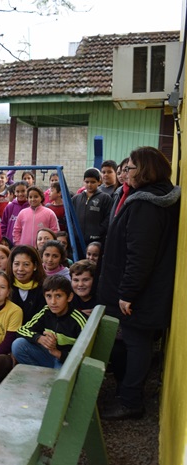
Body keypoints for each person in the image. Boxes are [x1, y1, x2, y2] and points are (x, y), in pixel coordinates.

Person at [99, 146, 181, 420]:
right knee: (135, 343)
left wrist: (127, 292)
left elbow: (140, 255)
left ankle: (131, 400)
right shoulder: (157, 197)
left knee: (135, 343)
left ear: (145, 170)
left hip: (139, 294)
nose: (126, 173)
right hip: (147, 291)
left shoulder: (146, 205)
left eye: (130, 168)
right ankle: (127, 392)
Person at [12, 275, 86, 369]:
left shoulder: (78, 320)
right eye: (49, 296)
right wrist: (39, 338)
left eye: (58, 296)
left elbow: (84, 354)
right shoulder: (46, 311)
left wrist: (59, 354)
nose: (53, 302)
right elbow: (22, 330)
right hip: (49, 355)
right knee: (18, 345)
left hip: (67, 361)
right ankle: (40, 375)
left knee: (62, 374)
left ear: (69, 297)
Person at [72, 168, 112, 246]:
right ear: (83, 181)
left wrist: (99, 231)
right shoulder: (76, 198)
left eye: (93, 182)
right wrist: (74, 230)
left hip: (96, 240)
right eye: (87, 182)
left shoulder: (105, 198)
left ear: (99, 182)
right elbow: (69, 216)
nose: (89, 185)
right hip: (77, 239)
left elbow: (109, 217)